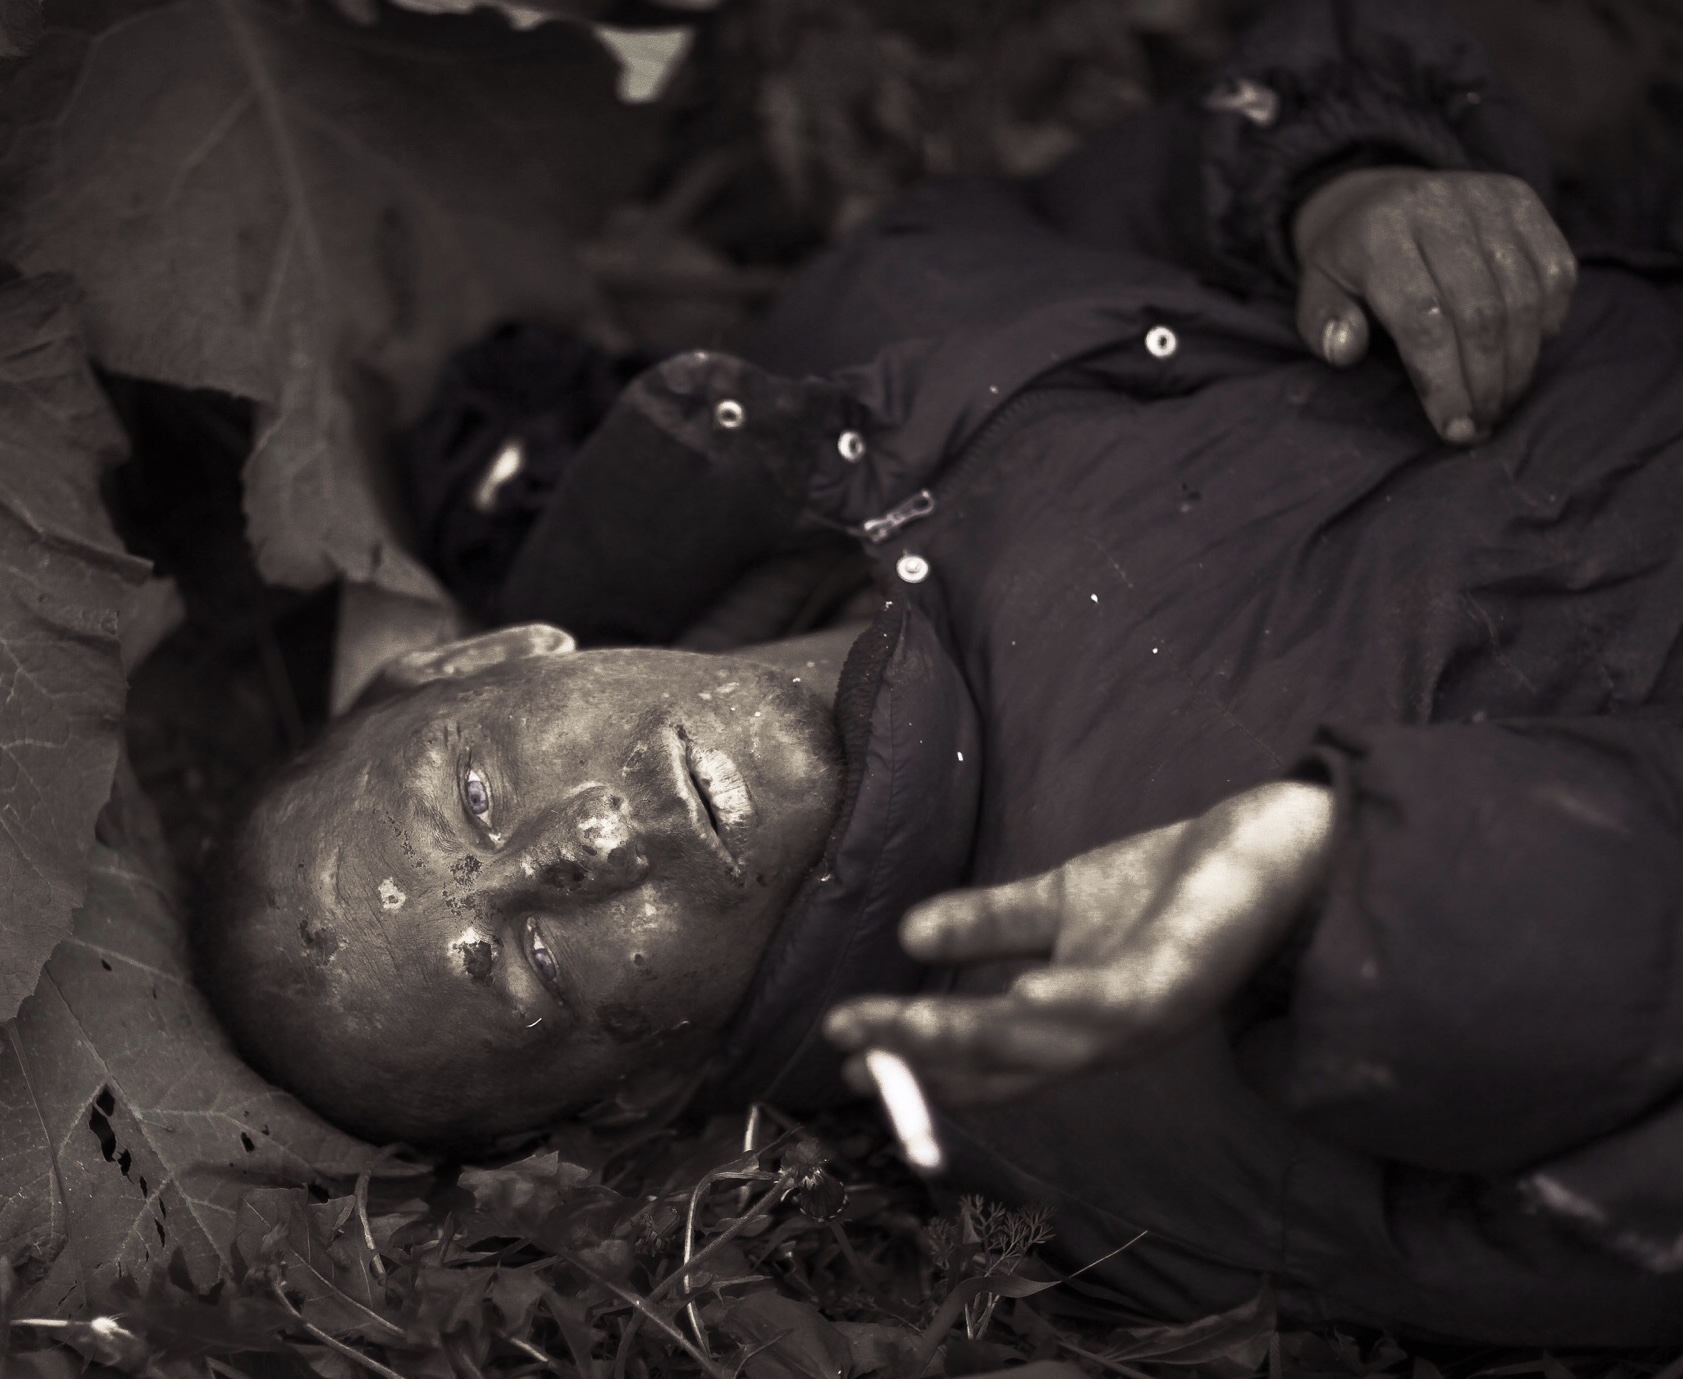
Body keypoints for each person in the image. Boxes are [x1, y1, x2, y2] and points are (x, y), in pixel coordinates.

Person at [199, 0, 1683, 1345]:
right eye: (530, 969)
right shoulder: (1108, 1111)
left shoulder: (847, 340)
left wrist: (1346, 188)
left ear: (486, 658)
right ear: (632, 1101)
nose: (580, 845)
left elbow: (1165, 174)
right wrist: (1352, 889)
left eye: (480, 794)